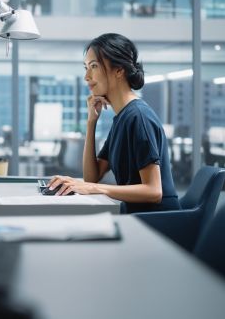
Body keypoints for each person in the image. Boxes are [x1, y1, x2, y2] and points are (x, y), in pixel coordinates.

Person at [47, 33, 180, 213]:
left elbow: (154, 191)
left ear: (119, 70)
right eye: (86, 67)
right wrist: (91, 122)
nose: (86, 76)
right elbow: (91, 177)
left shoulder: (138, 116)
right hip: (137, 217)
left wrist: (95, 189)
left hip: (158, 222)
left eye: (93, 66)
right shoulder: (123, 118)